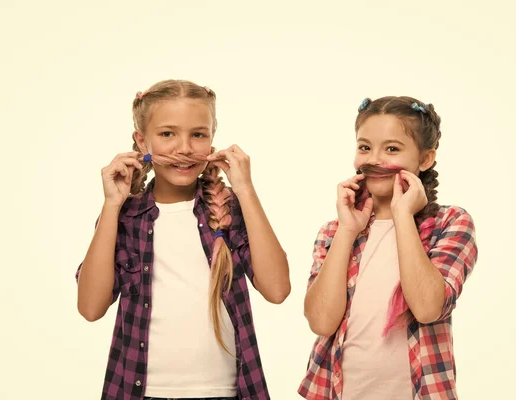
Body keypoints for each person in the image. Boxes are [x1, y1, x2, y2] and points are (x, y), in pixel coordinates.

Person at [75, 79, 290, 400]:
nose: (185, 148)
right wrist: (110, 206)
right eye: (167, 134)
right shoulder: (125, 216)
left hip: (226, 391)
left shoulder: (231, 208)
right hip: (139, 390)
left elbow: (277, 290)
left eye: (198, 134)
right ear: (142, 142)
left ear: (212, 140)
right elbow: (91, 308)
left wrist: (245, 190)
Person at [299, 96, 478, 399]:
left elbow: (426, 307)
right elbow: (320, 321)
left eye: (392, 148)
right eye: (365, 147)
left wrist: (403, 215)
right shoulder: (334, 231)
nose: (373, 159)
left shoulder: (450, 222)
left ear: (425, 159)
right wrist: (347, 230)